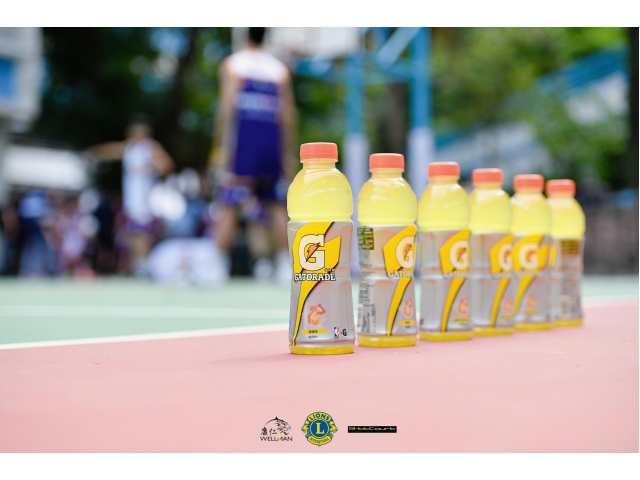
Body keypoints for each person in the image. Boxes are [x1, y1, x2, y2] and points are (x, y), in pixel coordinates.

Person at [210, 27, 296, 284]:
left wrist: (219, 148)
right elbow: (287, 116)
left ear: (243, 36)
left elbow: (226, 108)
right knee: (276, 205)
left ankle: (216, 266)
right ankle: (285, 265)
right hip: (271, 146)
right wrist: (287, 153)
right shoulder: (279, 71)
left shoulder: (233, 65)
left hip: (244, 146)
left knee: (230, 203)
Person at [88, 114, 175, 275]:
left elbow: (167, 165)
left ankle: (145, 266)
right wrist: (93, 153)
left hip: (145, 201)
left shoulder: (151, 148)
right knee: (131, 235)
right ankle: (139, 264)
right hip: (131, 202)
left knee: (142, 234)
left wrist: (149, 167)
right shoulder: (129, 148)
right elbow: (110, 150)